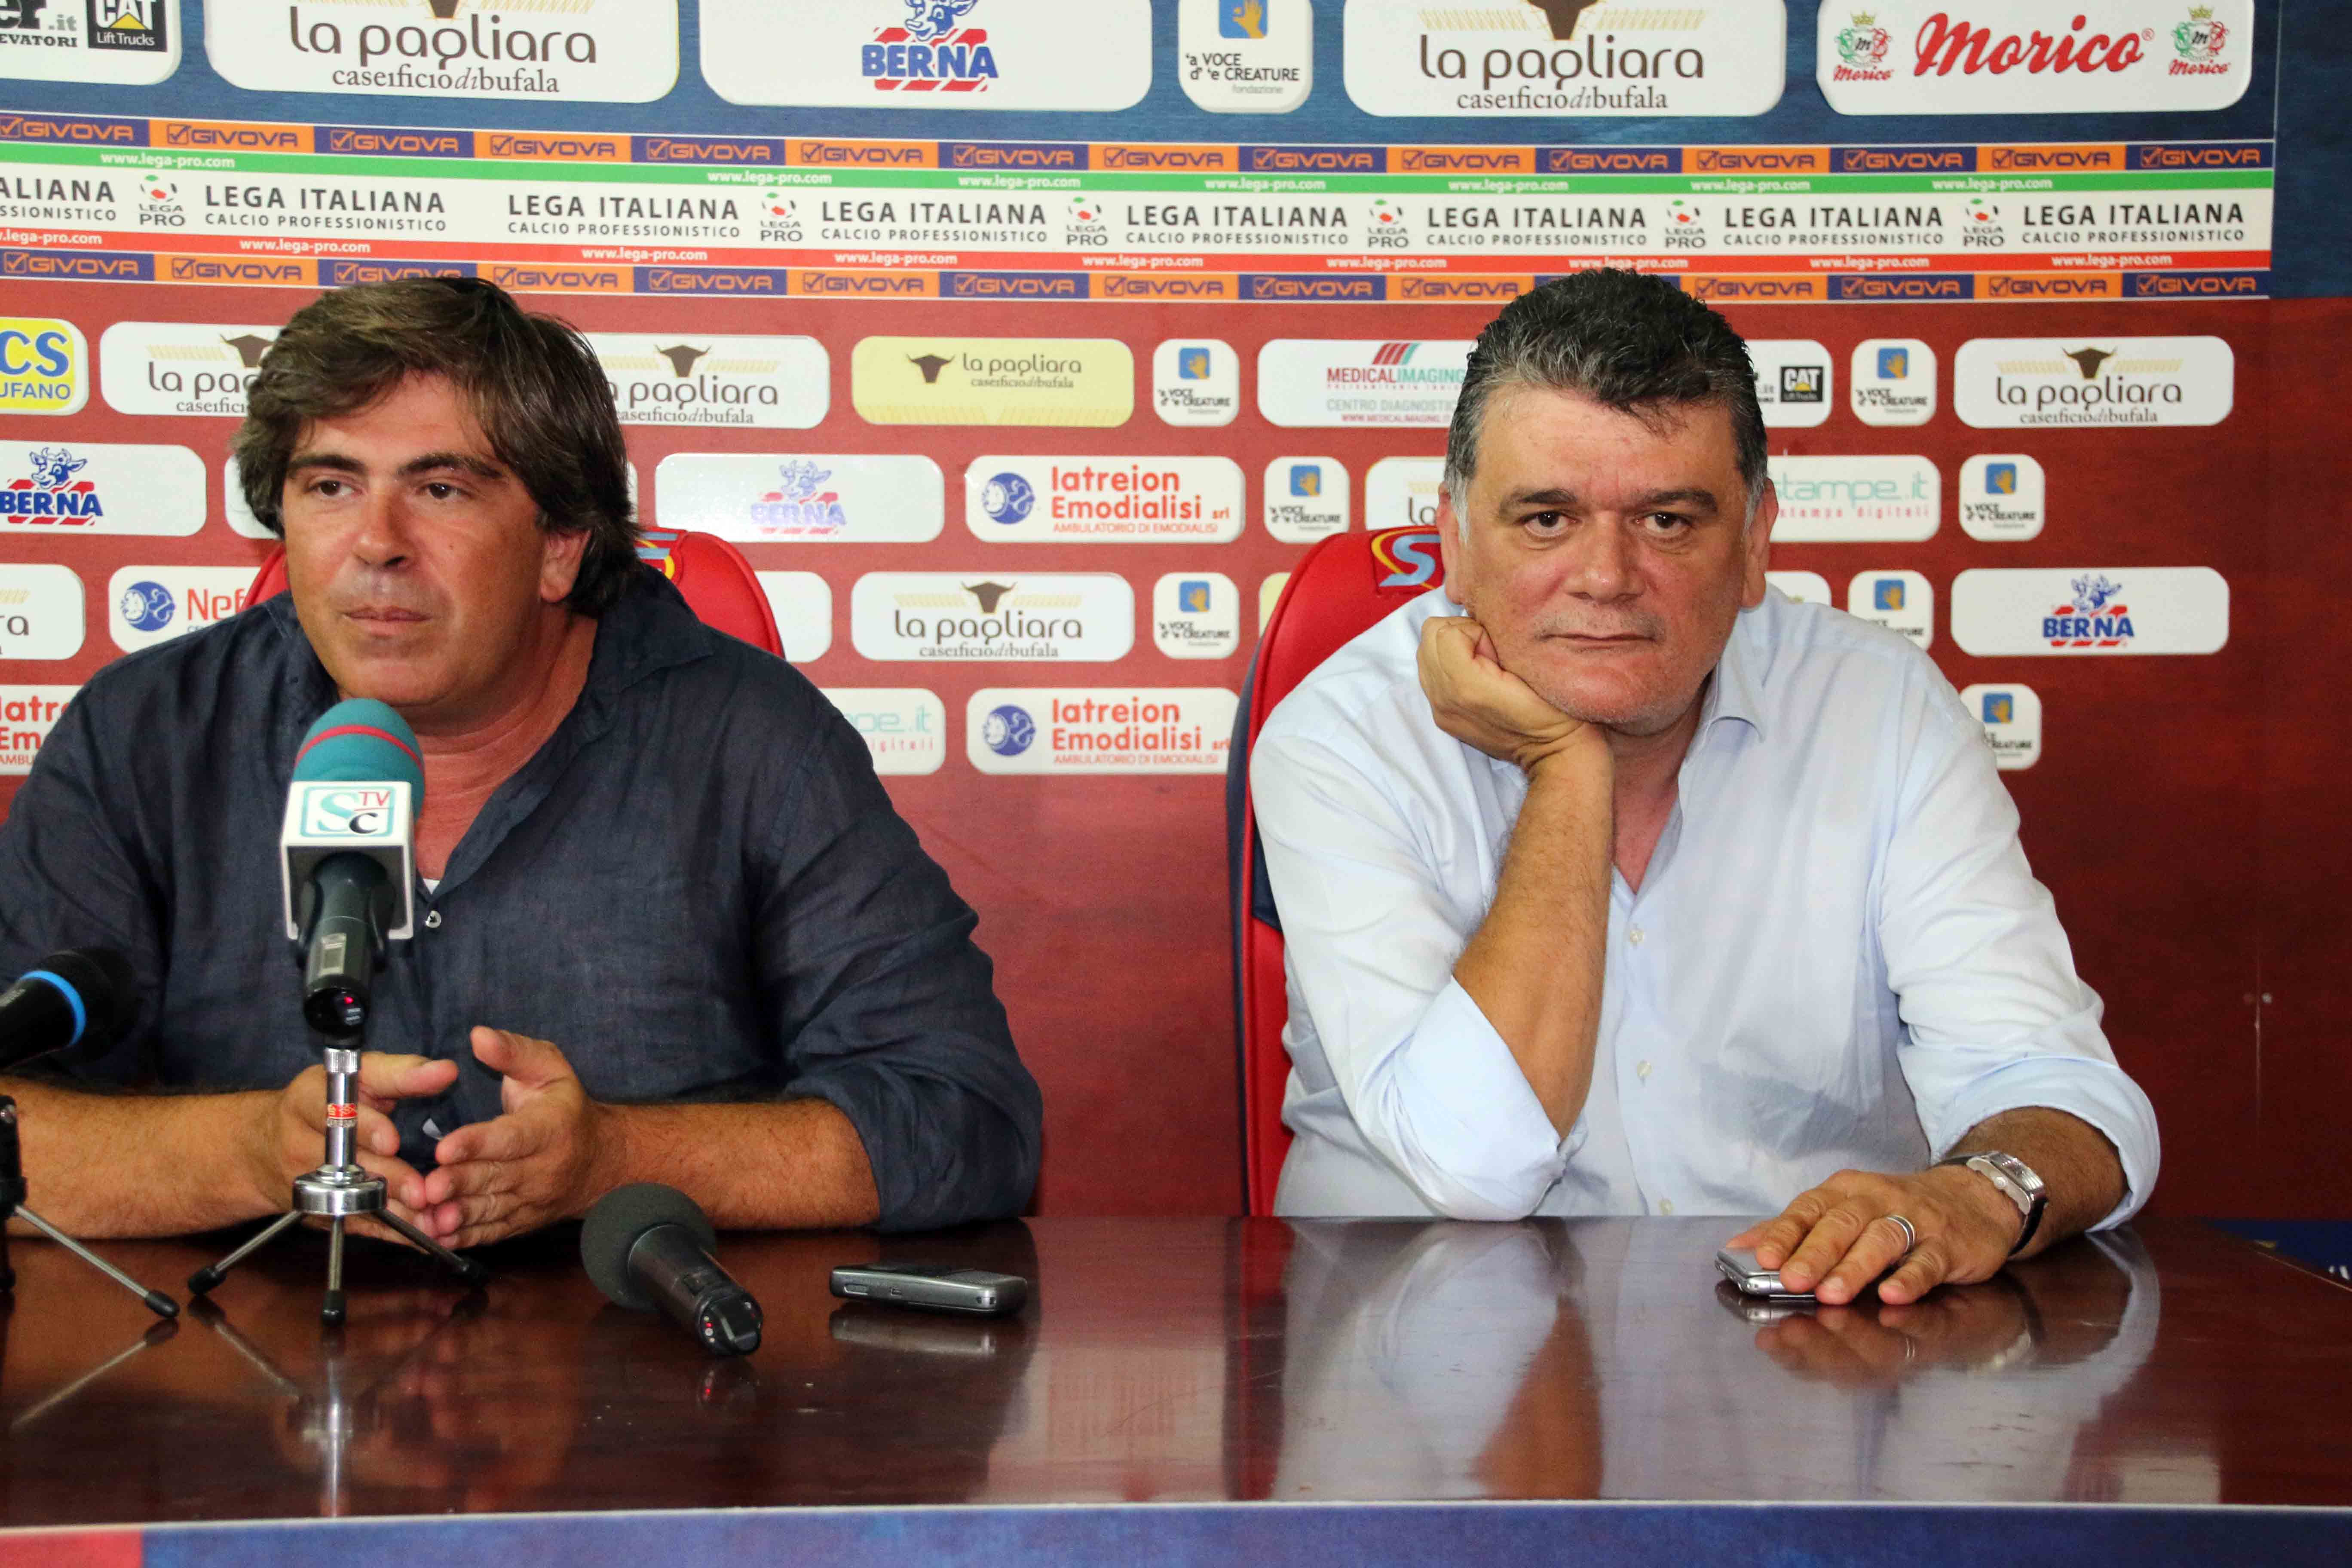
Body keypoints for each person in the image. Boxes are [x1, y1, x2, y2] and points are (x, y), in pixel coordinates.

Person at [0, 277, 1040, 1247]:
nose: (376, 542)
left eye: (442, 489)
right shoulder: (145, 737)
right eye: (330, 485)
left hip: (643, 1360)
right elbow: (16, 1109)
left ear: (560, 546)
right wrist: (245, 1157)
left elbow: (966, 1118)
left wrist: (621, 1162)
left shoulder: (754, 744)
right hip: (252, 1364)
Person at [1250, 270, 2158, 1305]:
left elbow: (2061, 1092)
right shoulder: (1344, 735)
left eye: (1669, 521)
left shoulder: (1880, 708)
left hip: (1811, 1343)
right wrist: (1566, 768)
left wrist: (1982, 1195)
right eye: (1545, 518)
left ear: (1757, 539)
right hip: (1421, 1340)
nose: (1607, 576)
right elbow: (1477, 1165)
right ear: (1454, 539)